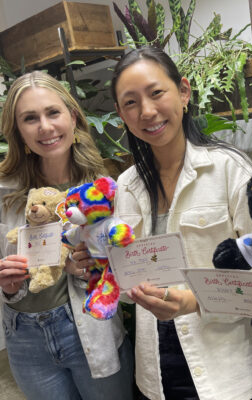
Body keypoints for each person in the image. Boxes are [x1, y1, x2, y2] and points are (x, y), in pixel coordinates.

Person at [110, 46, 252, 400]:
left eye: (156, 93)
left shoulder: (230, 170)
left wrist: (194, 301)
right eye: (131, 102)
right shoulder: (127, 186)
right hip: (155, 372)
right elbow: (125, 282)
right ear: (120, 113)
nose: (147, 111)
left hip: (225, 372)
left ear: (183, 92)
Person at [0, 71, 134, 400]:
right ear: (18, 131)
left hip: (89, 327)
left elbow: (126, 257)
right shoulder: (5, 192)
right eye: (30, 118)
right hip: (25, 336)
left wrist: (94, 265)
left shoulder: (106, 186)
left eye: (53, 112)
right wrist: (8, 284)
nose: (45, 127)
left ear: (73, 117)